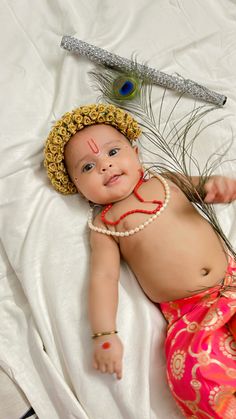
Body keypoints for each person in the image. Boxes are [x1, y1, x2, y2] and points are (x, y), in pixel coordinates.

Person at [44, 103, 236, 418]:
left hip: (232, 281)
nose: (104, 166)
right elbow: (103, 279)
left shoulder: (167, 182)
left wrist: (220, 187)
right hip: (191, 315)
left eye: (112, 152)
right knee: (197, 375)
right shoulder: (105, 226)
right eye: (87, 167)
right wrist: (105, 335)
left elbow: (208, 188)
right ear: (78, 189)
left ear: (135, 152)